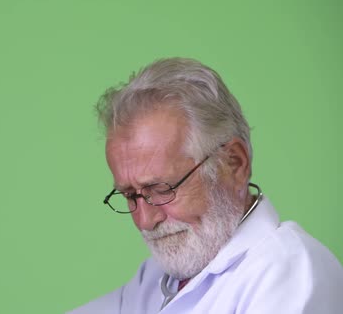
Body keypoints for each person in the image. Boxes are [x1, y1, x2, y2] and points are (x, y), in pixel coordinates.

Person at [68, 58, 343, 313]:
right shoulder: (154, 280)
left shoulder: (290, 272)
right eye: (130, 195)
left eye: (161, 189)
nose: (144, 221)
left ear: (233, 163)